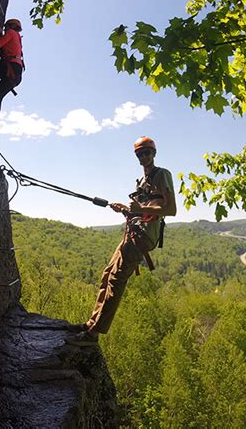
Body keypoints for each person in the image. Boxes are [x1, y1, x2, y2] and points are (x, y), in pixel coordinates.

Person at [65, 136, 177, 347]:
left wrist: (138, 209)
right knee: (107, 274)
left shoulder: (162, 174)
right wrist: (125, 209)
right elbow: (141, 209)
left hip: (144, 236)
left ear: (154, 153)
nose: (144, 156)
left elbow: (171, 209)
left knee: (116, 279)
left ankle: (94, 332)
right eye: (140, 153)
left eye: (147, 152)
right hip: (134, 232)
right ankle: (92, 323)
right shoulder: (142, 181)